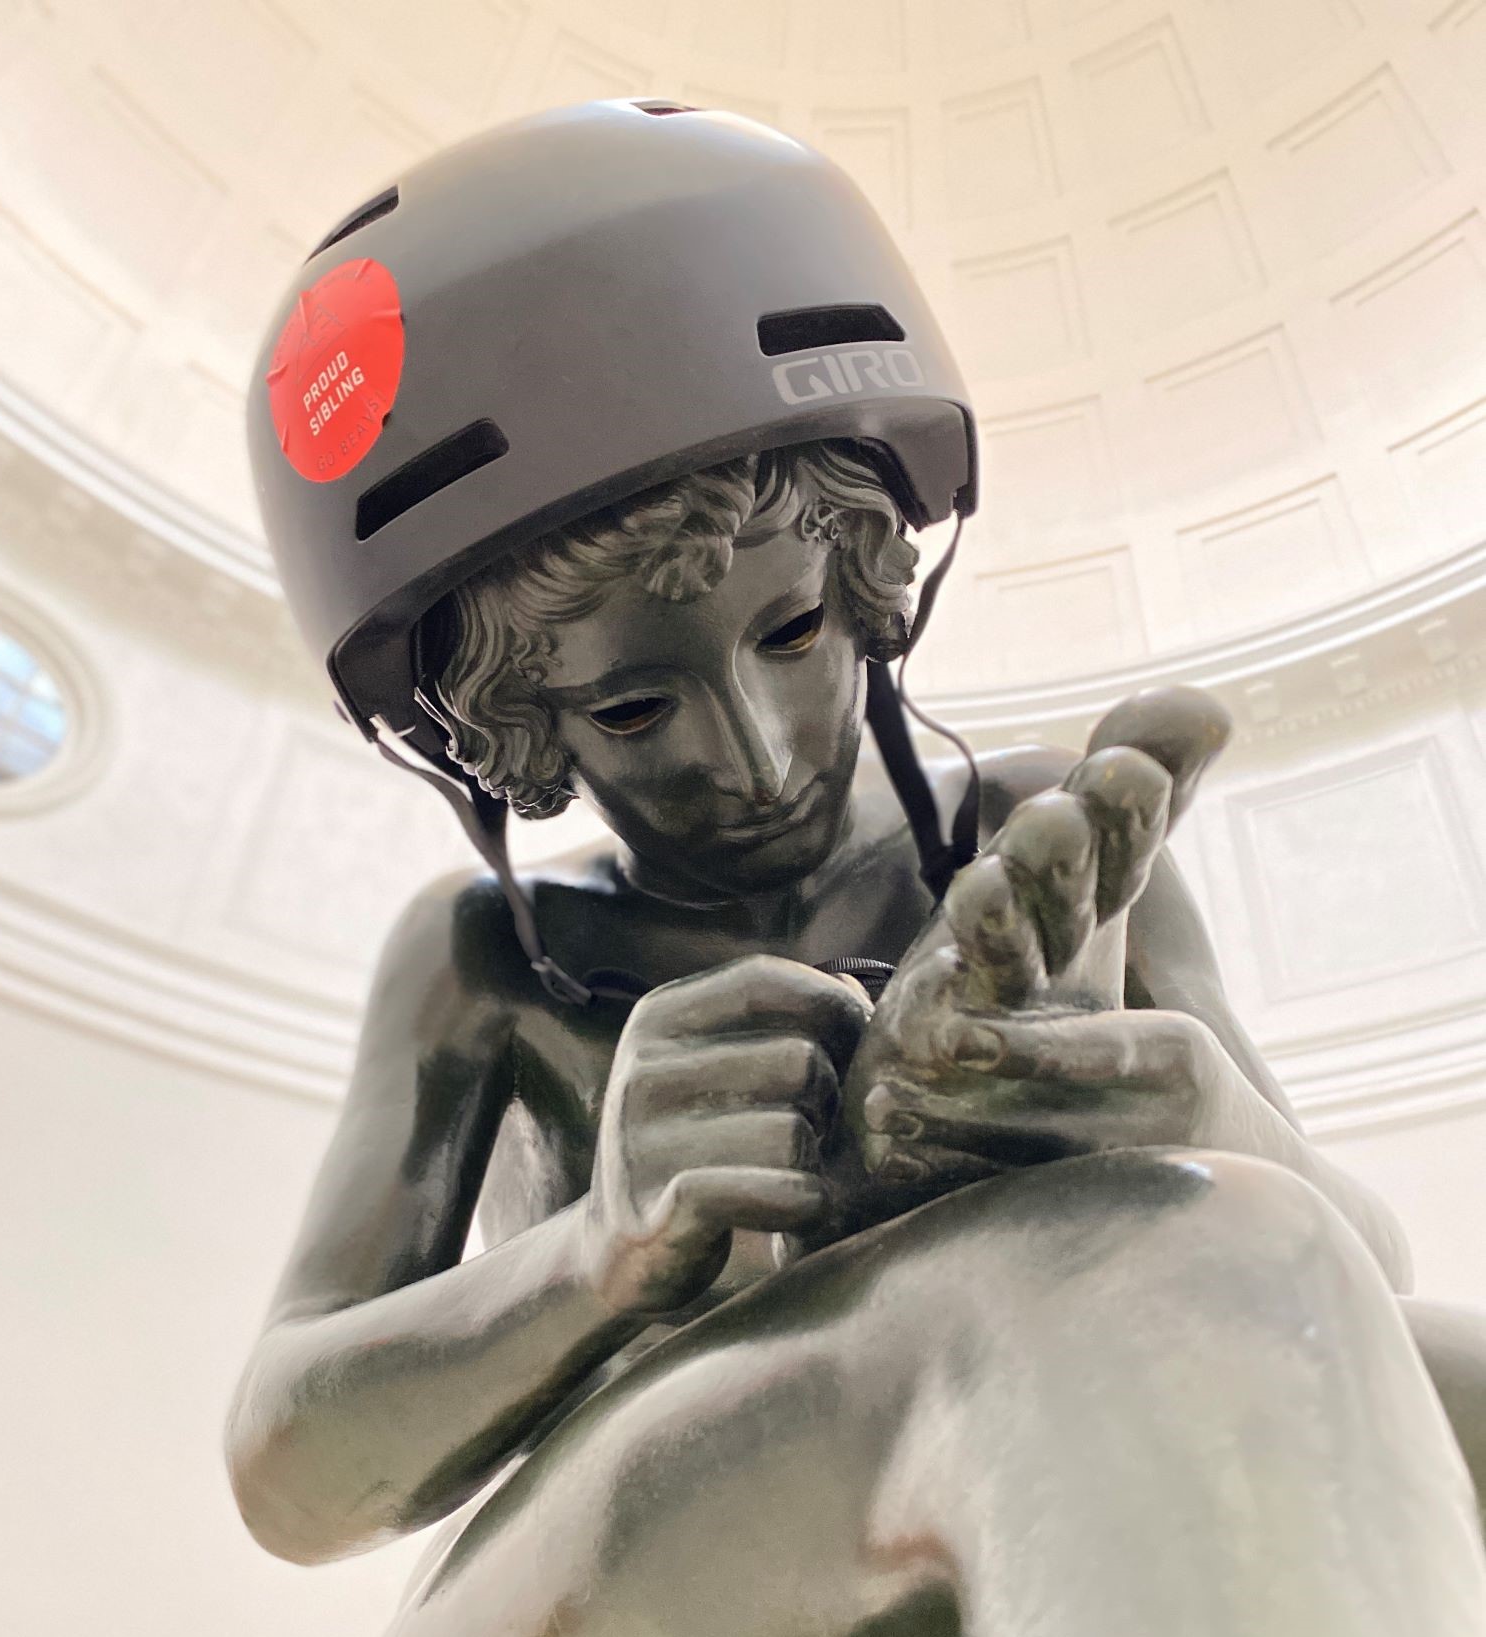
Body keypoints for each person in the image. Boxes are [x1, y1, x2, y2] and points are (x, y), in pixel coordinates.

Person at [227, 101, 1486, 1635]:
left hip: (1046, 1410)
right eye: (635, 705)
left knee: (1416, 1360)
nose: (752, 756)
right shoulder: (489, 956)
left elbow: (1354, 1249)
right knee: (1150, 1262)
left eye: (794, 630)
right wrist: (599, 1246)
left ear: (870, 573)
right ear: (517, 729)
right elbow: (288, 1472)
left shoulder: (1043, 827)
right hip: (612, 1558)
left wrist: (1189, 1108)